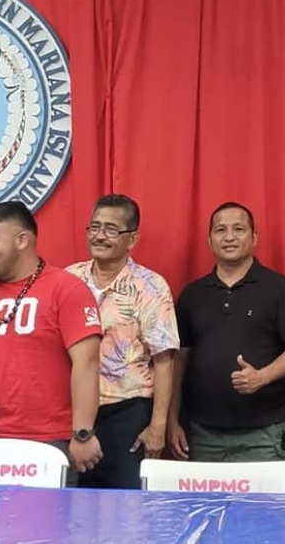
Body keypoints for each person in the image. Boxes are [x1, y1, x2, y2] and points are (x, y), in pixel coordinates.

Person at [0, 201, 103, 486]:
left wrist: (82, 433)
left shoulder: (68, 289)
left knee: (45, 532)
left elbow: (86, 364)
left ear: (22, 240)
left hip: (49, 442)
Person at [169, 202, 285, 464]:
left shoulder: (279, 288)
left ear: (254, 237)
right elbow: (179, 361)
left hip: (264, 435)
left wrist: (262, 377)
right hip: (204, 435)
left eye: (239, 229)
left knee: (268, 507)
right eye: (220, 230)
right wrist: (172, 420)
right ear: (210, 240)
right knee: (208, 507)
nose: (229, 237)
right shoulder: (193, 294)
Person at [64, 194, 180, 489]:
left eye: (111, 229)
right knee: (71, 507)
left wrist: (158, 426)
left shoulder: (150, 286)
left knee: (123, 510)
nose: (100, 236)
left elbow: (164, 361)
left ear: (132, 238)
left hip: (126, 413)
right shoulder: (68, 280)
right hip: (73, 412)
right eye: (94, 227)